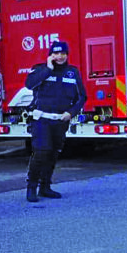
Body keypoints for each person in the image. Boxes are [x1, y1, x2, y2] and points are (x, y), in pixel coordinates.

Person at [24, 40, 86, 202]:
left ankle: (45, 187)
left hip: (60, 120)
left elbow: (82, 97)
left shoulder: (73, 72)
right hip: (41, 120)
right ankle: (32, 187)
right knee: (41, 152)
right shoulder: (39, 69)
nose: (60, 57)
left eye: (63, 53)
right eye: (56, 54)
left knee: (52, 153)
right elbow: (29, 85)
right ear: (50, 55)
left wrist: (71, 113)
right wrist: (48, 69)